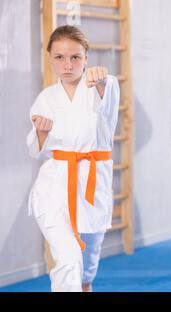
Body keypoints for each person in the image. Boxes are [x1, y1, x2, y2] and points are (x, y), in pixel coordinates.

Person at [27, 25, 120, 291]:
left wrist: (102, 81)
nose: (67, 65)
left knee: (89, 256)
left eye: (75, 57)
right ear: (50, 58)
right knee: (68, 260)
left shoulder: (102, 85)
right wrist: (41, 133)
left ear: (86, 58)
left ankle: (86, 283)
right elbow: (36, 149)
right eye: (59, 57)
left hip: (91, 181)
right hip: (53, 187)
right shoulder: (46, 99)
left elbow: (109, 101)